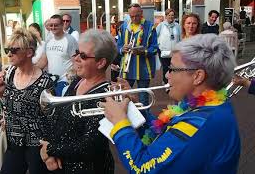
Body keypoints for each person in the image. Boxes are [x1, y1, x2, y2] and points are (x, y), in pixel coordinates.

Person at [101, 34, 241, 173]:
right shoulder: (207, 107)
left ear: (198, 76)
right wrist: (137, 108)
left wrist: (120, 123)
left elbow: (142, 167)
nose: (167, 75)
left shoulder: (200, 124)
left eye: (173, 69)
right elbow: (166, 134)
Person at [40, 29, 116, 173]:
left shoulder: (106, 97)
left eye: (83, 55)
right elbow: (58, 118)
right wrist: (49, 152)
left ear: (100, 63)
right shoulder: (78, 81)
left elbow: (90, 146)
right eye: (77, 52)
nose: (75, 58)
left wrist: (50, 149)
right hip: (64, 164)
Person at [0, 28, 55, 173]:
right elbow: (8, 107)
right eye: (8, 49)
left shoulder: (45, 82)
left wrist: (50, 150)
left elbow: (52, 118)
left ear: (29, 52)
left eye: (14, 50)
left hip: (37, 145)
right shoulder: (9, 74)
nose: (9, 54)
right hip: (14, 142)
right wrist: (1, 93)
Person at [117, 3, 158, 117]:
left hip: (143, 70)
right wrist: (121, 49)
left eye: (137, 16)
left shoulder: (150, 27)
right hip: (127, 69)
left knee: (143, 100)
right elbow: (117, 46)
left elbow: (155, 48)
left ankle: (145, 123)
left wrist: (143, 51)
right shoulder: (123, 27)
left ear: (141, 14)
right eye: (132, 16)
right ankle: (126, 121)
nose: (134, 19)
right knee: (124, 97)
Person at [37, 14, 78, 96]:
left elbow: (76, 61)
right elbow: (43, 60)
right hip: (51, 81)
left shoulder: (70, 40)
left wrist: (71, 79)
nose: (53, 27)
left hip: (65, 82)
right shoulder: (49, 40)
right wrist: (31, 70)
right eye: (51, 25)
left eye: (56, 25)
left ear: (62, 25)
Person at [156, 8, 181, 84]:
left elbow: (180, 38)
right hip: (163, 51)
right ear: (166, 16)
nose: (171, 17)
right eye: (169, 15)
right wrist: (158, 47)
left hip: (174, 51)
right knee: (166, 67)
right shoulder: (161, 25)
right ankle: (166, 82)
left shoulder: (177, 26)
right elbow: (155, 36)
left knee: (173, 67)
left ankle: (172, 81)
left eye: (172, 15)